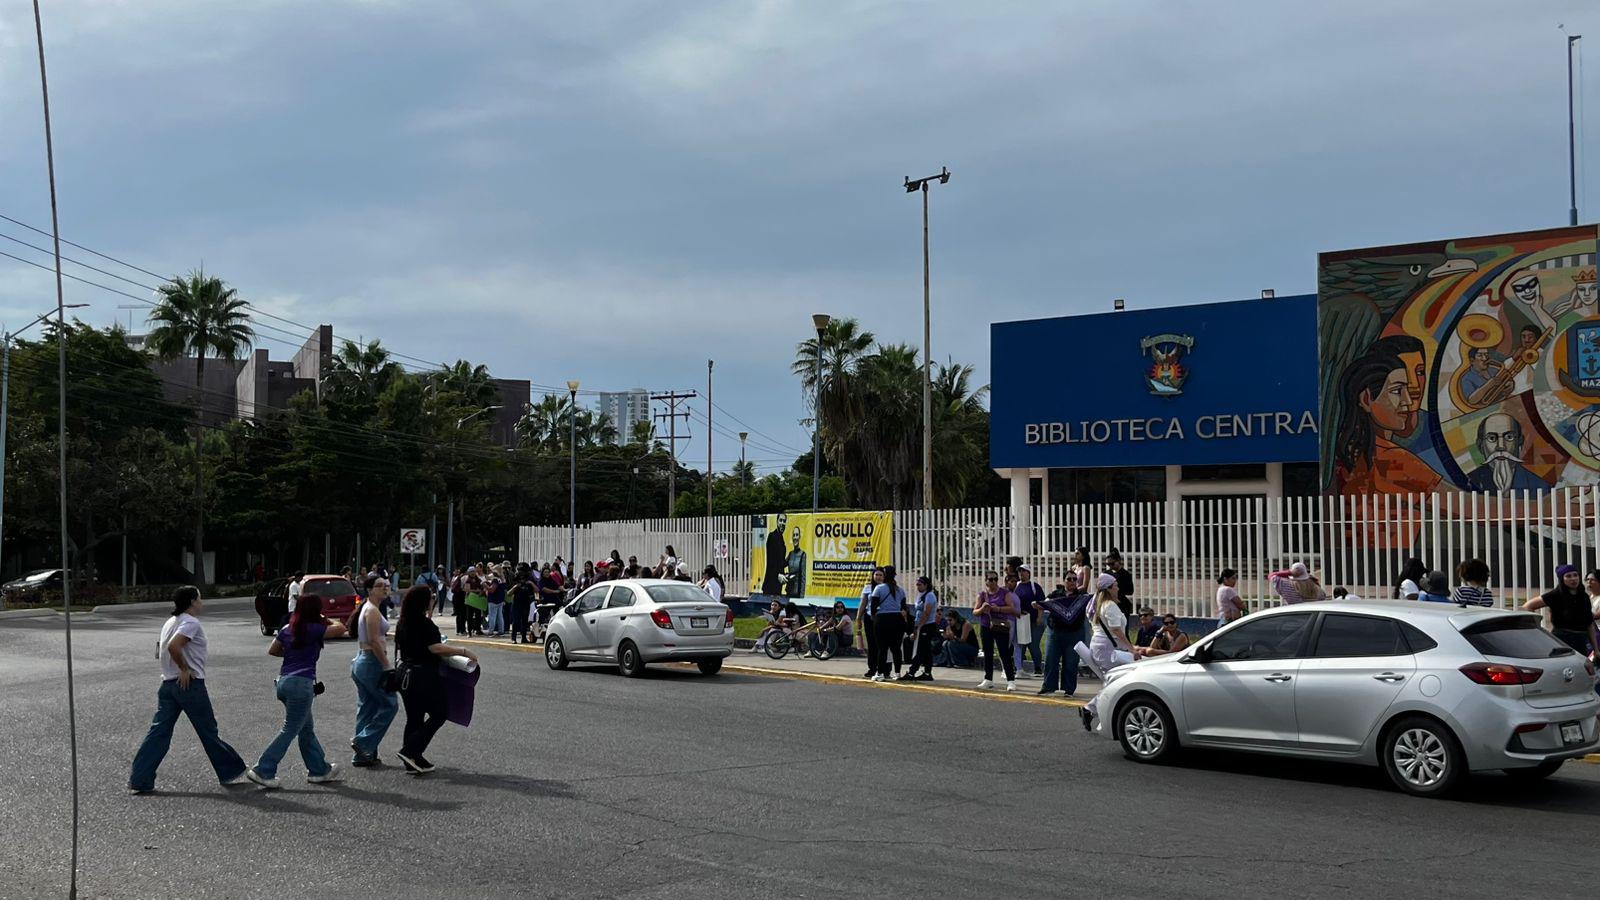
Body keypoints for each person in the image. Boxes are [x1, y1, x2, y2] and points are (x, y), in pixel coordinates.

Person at [129, 588, 251, 794]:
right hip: (189, 685)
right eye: (200, 599)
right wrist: (185, 669)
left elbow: (161, 650)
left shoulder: (169, 622)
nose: (202, 603)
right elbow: (174, 647)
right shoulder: (190, 623)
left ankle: (140, 778)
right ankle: (231, 770)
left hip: (167, 685)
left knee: (158, 733)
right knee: (208, 731)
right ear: (192, 601)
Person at [246, 595, 348, 788]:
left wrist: (293, 653)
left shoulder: (287, 629)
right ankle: (263, 768)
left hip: (284, 681)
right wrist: (324, 617)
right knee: (290, 729)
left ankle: (319, 770)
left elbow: (273, 650)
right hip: (301, 685)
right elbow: (342, 628)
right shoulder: (314, 629)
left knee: (306, 728)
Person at [395, 585, 478, 774]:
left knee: (414, 718)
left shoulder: (403, 622)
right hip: (422, 675)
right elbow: (435, 648)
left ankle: (413, 760)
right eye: (431, 597)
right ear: (424, 602)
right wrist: (463, 651)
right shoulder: (424, 624)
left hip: (404, 673)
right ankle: (410, 751)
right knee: (439, 713)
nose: (433, 600)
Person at [1078, 574, 1136, 732]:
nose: (1118, 587)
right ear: (1109, 589)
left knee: (1114, 682)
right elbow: (1116, 630)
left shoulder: (1099, 604)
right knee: (1116, 682)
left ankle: (1092, 711)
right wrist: (1132, 649)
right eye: (1115, 585)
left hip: (1102, 646)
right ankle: (1094, 712)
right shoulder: (1109, 605)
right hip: (1107, 649)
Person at [350, 578, 397, 768]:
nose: (385, 588)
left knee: (367, 708)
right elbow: (374, 641)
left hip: (364, 661)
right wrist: (387, 666)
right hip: (372, 662)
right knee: (390, 705)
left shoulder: (370, 608)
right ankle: (363, 742)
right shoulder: (371, 610)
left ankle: (364, 755)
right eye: (380, 586)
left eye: (386, 585)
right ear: (369, 590)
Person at [1523, 565, 1595, 654]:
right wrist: (1537, 628)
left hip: (1581, 640)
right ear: (1562, 579)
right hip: (1562, 640)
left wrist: (1596, 649)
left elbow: (1590, 624)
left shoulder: (1584, 597)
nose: (1573, 579)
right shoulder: (1555, 595)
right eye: (1568, 576)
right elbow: (1528, 606)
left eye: (1575, 575)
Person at [1038, 575, 1090, 696]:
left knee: (1071, 662)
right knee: (1051, 660)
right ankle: (1048, 687)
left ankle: (1069, 689)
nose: (1072, 581)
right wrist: (1038, 605)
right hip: (1056, 632)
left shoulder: (1081, 596)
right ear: (1064, 580)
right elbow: (1044, 604)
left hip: (1074, 633)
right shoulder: (1056, 594)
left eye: (1074, 579)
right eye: (1069, 579)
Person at [973, 571, 1018, 691]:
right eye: (991, 579)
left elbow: (1011, 608)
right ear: (986, 581)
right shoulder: (982, 594)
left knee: (1004, 653)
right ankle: (988, 679)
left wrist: (997, 608)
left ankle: (1011, 680)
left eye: (995, 579)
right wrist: (983, 608)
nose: (993, 582)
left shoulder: (1004, 593)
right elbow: (975, 612)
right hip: (986, 625)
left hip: (1000, 625)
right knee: (988, 652)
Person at [868, 566, 908, 682]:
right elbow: (903, 607)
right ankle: (897, 673)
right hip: (897, 619)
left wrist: (874, 617)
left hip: (883, 619)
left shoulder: (879, 588)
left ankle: (880, 673)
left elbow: (873, 607)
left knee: (882, 648)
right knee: (896, 648)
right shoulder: (900, 590)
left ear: (884, 575)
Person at [900, 575, 940, 681]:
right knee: (926, 650)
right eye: (917, 584)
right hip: (920, 625)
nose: (918, 587)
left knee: (920, 650)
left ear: (926, 585)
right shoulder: (921, 595)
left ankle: (911, 672)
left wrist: (919, 627)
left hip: (927, 626)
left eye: (920, 584)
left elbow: (926, 613)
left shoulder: (930, 596)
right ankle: (927, 673)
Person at [1012, 565, 1045, 678]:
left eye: (1023, 571)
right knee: (1021, 644)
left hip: (1034, 620)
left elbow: (1041, 603)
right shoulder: (1016, 587)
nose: (1021, 573)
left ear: (1029, 573)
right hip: (1021, 620)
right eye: (1019, 571)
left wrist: (1040, 617)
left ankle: (1038, 668)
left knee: (1033, 644)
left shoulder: (1035, 587)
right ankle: (1018, 667)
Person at [857, 568, 883, 678]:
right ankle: (872, 668)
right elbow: (863, 604)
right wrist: (858, 618)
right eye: (876, 574)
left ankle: (882, 668)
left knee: (881, 644)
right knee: (871, 643)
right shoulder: (868, 588)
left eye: (881, 575)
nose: (878, 577)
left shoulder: (886, 588)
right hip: (869, 618)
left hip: (882, 618)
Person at [510, 566, 536, 644]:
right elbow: (508, 593)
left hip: (526, 603)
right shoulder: (515, 581)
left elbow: (537, 590)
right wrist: (515, 587)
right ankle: (513, 638)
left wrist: (531, 583)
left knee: (524, 621)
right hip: (517, 603)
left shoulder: (529, 581)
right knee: (516, 621)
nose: (522, 576)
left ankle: (523, 638)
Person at [1105, 549, 1134, 616]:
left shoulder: (1125, 574)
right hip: (1108, 603)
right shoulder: (1106, 573)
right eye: (1108, 564)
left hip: (1121, 604)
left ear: (1118, 561)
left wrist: (1116, 589)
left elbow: (1130, 591)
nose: (1110, 566)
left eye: (1112, 564)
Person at [484, 571, 508, 636]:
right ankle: (501, 630)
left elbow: (492, 590)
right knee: (500, 616)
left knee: (492, 616)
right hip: (500, 599)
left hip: (493, 600)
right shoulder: (502, 579)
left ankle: (491, 631)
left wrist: (485, 585)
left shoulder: (495, 580)